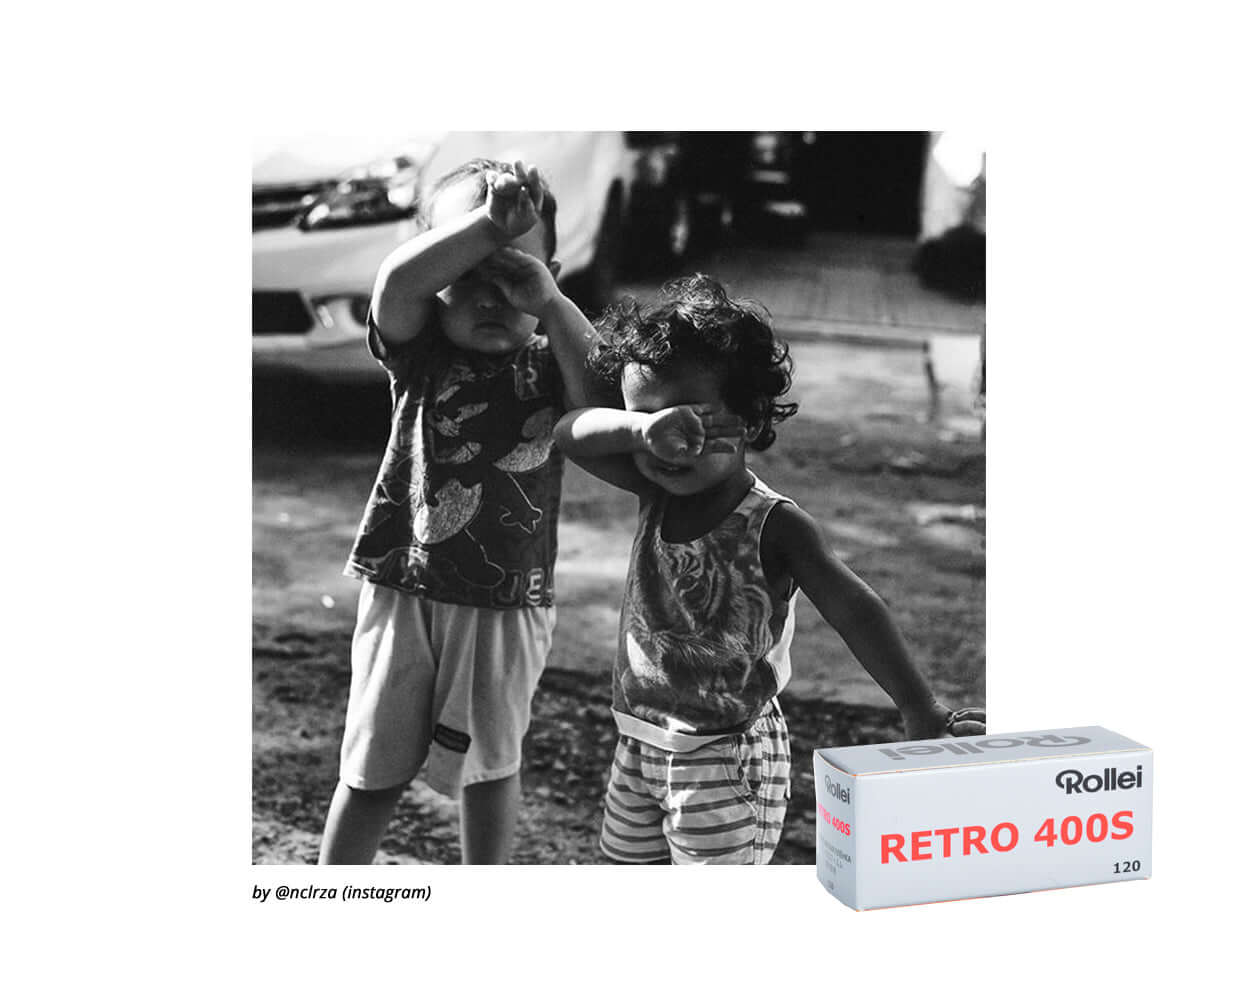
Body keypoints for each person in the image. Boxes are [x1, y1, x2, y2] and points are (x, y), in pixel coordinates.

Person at [553, 275, 985, 865]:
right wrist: (636, 431)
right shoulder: (656, 491)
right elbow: (569, 435)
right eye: (648, 423)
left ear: (750, 421)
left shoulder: (776, 525)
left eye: (690, 422)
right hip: (639, 745)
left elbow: (855, 610)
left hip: (725, 758)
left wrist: (919, 708)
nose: (668, 444)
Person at [319, 159, 596, 864]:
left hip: (507, 600)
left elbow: (606, 400)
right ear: (437, 279)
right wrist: (487, 228)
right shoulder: (419, 355)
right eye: (468, 271)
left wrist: (555, 304)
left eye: (516, 275)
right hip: (402, 585)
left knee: (489, 766)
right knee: (371, 766)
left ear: (550, 272)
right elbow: (396, 284)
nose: (492, 295)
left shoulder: (551, 362)